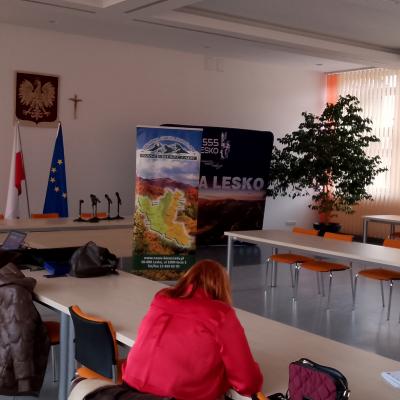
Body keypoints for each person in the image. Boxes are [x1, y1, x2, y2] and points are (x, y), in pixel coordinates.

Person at [122, 259, 263, 400]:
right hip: (172, 396)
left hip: (128, 389)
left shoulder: (161, 299)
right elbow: (248, 383)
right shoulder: (220, 314)